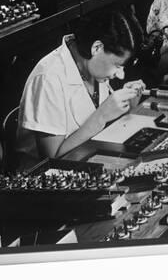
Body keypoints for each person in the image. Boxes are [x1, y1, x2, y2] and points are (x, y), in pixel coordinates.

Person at [13, 10, 146, 165]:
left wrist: (128, 106)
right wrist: (101, 116)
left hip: (89, 158)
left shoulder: (91, 67)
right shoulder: (48, 78)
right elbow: (52, 160)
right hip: (51, 178)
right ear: (96, 48)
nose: (121, 75)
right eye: (117, 65)